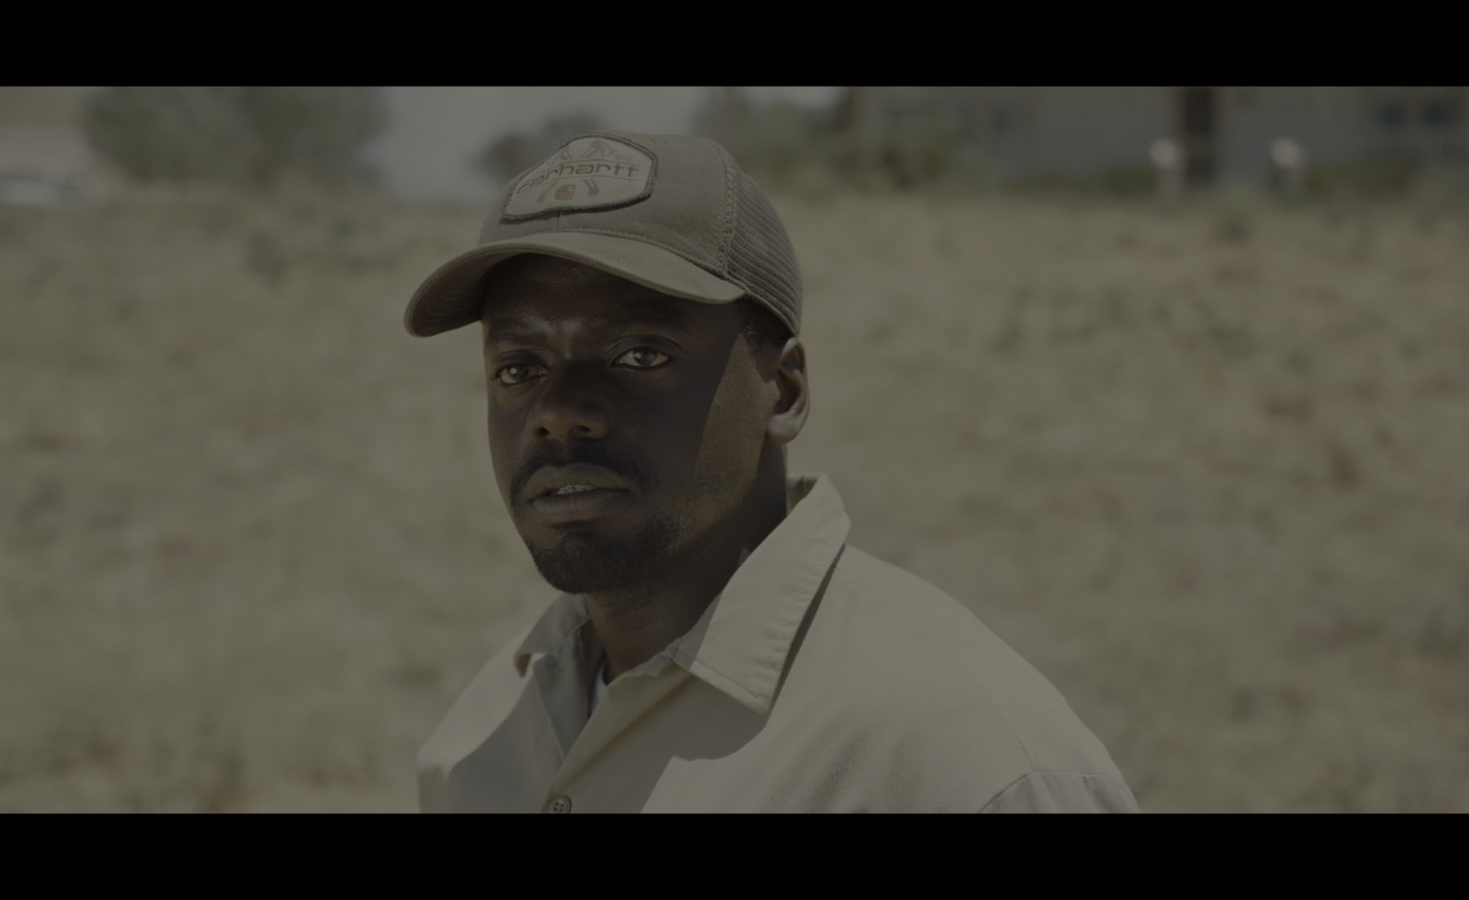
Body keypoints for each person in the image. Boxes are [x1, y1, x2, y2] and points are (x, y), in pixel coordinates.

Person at [404, 130, 1139, 813]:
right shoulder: (481, 737)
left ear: (782, 393)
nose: (557, 412)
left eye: (640, 355)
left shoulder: (965, 762)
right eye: (518, 367)